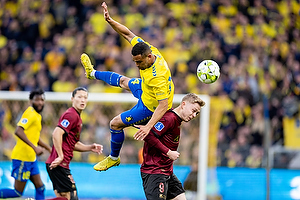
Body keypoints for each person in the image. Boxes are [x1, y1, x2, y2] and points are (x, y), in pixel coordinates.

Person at [80, 1, 174, 171]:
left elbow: (164, 105)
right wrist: (110, 20)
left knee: (114, 123)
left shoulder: (157, 77)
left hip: (150, 107)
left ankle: (114, 158)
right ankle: (92, 73)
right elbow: (128, 34)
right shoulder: (150, 50)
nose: (137, 65)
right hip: (146, 90)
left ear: (149, 57)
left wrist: (148, 126)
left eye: (139, 62)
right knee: (124, 81)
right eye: (134, 61)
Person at [141, 93, 205, 200]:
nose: (194, 115)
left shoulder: (177, 120)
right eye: (193, 111)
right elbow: (149, 135)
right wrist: (168, 152)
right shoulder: (169, 119)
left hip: (167, 172)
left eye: (197, 113)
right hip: (155, 172)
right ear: (183, 104)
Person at [45, 87, 103, 200]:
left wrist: (90, 147)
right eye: (79, 97)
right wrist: (60, 156)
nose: (82, 100)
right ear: (72, 99)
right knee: (72, 197)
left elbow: (73, 143)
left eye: (85, 98)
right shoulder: (71, 115)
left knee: (64, 197)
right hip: (59, 164)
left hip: (58, 163)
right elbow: (56, 133)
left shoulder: (77, 117)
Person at [0, 89, 51, 200]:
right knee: (18, 192)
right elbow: (18, 131)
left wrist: (48, 148)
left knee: (40, 187)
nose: (40, 102)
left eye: (42, 100)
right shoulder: (30, 113)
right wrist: (35, 148)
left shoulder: (38, 116)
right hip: (22, 158)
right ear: (31, 101)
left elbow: (34, 137)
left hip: (31, 159)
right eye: (37, 100)